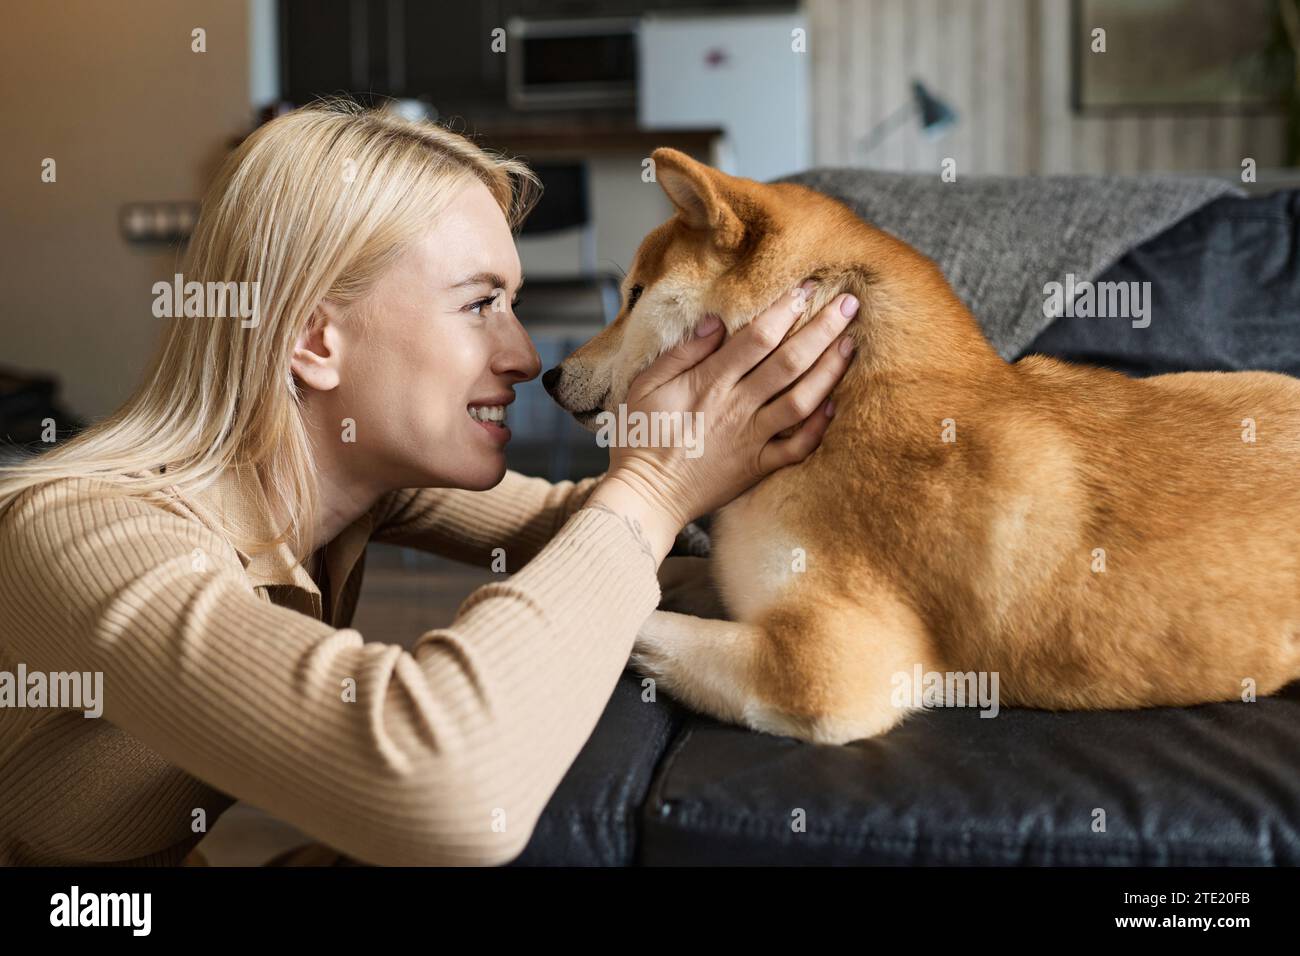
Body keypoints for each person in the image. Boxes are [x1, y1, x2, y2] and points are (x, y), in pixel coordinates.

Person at [0, 100, 858, 866]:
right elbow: (441, 788)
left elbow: (607, 547)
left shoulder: (347, 477)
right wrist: (657, 485)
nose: (525, 357)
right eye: (480, 303)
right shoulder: (77, 533)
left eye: (514, 303)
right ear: (314, 339)